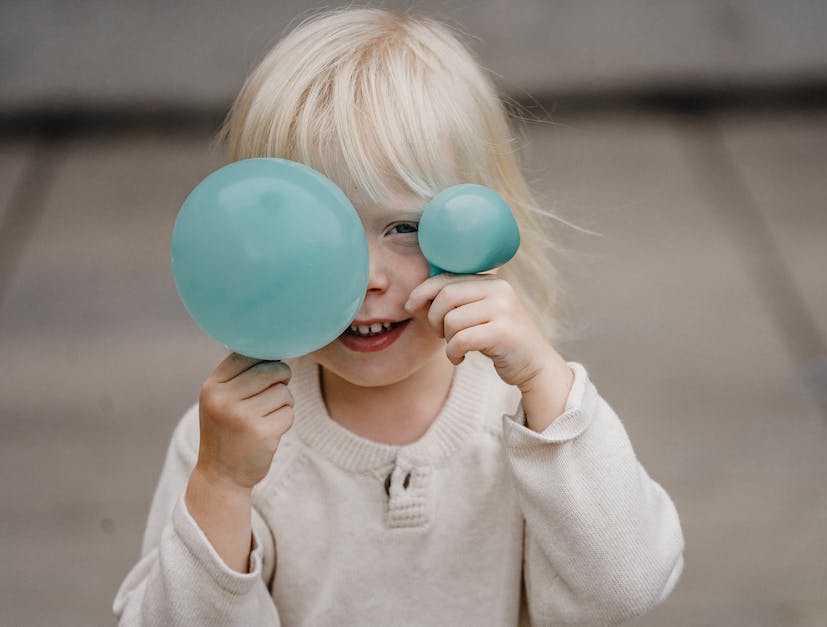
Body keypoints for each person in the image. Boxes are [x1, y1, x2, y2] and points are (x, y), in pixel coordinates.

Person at [113, 8, 684, 626]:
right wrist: (221, 487)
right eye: (317, 233)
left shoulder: (529, 417)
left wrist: (547, 385)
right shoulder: (229, 443)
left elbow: (629, 586)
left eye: (405, 227)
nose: (366, 278)